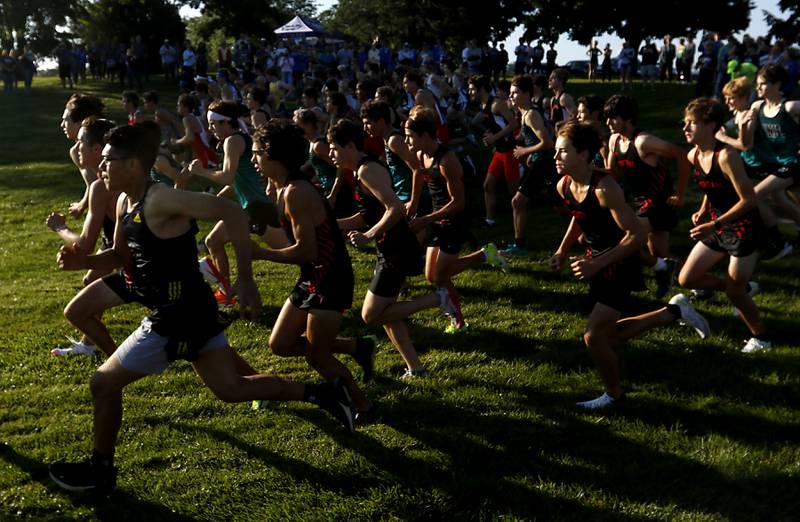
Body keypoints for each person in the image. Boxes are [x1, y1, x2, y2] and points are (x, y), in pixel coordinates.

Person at [48, 122, 357, 493]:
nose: (101, 168)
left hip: (176, 314)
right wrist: (82, 263)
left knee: (102, 383)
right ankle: (323, 392)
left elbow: (232, 211)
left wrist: (245, 278)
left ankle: (100, 470)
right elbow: (119, 255)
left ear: (132, 165)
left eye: (109, 161)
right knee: (231, 388)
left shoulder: (160, 198)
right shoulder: (122, 201)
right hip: (192, 309)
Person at [550, 121, 709, 410]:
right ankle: (674, 311)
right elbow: (579, 214)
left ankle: (614, 395)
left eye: (562, 152)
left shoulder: (605, 188)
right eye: (556, 152)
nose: (556, 157)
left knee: (594, 337)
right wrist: (562, 251)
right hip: (597, 261)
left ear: (584, 154)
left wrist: (596, 264)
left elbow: (636, 236)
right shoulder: (565, 185)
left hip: (619, 263)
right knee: (611, 335)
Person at [248, 119, 372, 419]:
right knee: (279, 344)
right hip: (312, 277)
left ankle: (364, 407)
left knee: (318, 357)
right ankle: (357, 347)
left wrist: (262, 254)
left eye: (256, 153)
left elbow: (307, 250)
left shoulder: (296, 192)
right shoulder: (282, 187)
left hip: (330, 278)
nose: (253, 159)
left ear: (273, 155)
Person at [332, 118, 457, 378]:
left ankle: (439, 298)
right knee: (386, 312)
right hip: (389, 247)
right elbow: (368, 213)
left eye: (334, 147)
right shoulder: (358, 171)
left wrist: (368, 235)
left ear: (350, 146)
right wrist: (331, 225)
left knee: (370, 315)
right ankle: (415, 367)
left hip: (396, 248)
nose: (331, 153)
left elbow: (395, 209)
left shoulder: (367, 170)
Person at [678, 97, 770, 353]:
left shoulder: (727, 156)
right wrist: (702, 209)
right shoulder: (693, 154)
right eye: (684, 123)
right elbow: (713, 186)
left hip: (743, 228)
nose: (685, 128)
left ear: (711, 126)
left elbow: (749, 200)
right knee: (687, 278)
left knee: (734, 294)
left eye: (692, 123)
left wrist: (714, 223)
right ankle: (743, 288)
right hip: (718, 224)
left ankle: (762, 338)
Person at [404, 106, 508, 332]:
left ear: (423, 135)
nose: (406, 140)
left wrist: (426, 219)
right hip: (437, 219)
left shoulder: (447, 160)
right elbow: (418, 173)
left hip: (455, 219)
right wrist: (413, 203)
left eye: (410, 136)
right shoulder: (422, 154)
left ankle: (459, 321)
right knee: (431, 276)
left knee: (441, 275)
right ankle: (485, 254)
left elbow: (458, 202)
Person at [187, 101, 286, 305]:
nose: (210, 128)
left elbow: (226, 176)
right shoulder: (235, 139)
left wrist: (200, 172)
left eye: (212, 124)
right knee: (212, 241)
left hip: (258, 206)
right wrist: (216, 200)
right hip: (249, 206)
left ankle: (323, 280)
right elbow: (235, 182)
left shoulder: (232, 141)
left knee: (290, 251)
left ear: (225, 123)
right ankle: (226, 291)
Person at [605, 94, 689, 298]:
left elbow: (682, 155)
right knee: (659, 256)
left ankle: (621, 288)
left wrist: (679, 193)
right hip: (638, 203)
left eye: (612, 118)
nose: (607, 122)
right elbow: (613, 173)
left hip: (659, 204)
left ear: (627, 118)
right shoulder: (614, 140)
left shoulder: (643, 142)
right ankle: (700, 285)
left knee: (622, 241)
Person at [47, 117, 118, 356]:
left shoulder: (102, 185)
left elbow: (84, 246)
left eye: (80, 143)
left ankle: (114, 359)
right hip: (134, 255)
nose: (76, 149)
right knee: (90, 284)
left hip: (142, 265)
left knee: (77, 310)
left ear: (97, 149)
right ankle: (93, 347)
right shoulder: (118, 175)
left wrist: (60, 228)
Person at [716, 76, 794, 260]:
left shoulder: (749, 114)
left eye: (731, 98)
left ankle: (778, 242)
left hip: (760, 164)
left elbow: (745, 145)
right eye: (726, 98)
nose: (727, 102)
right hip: (750, 162)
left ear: (744, 98)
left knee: (757, 199)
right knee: (771, 200)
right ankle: (770, 238)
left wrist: (722, 137)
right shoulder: (739, 113)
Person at [747, 65, 800, 254]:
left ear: (777, 84)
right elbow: (747, 141)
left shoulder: (790, 107)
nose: (758, 88)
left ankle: (777, 243)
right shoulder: (757, 106)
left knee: (754, 195)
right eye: (757, 84)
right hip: (772, 163)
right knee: (780, 200)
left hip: (792, 164)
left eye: (762, 84)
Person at [506, 75, 556, 257]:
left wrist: (525, 152)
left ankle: (519, 246)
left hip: (544, 163)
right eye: (511, 93)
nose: (511, 97)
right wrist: (529, 151)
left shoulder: (531, 115)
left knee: (518, 202)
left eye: (515, 93)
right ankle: (519, 244)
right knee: (561, 206)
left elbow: (548, 142)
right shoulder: (525, 114)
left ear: (527, 94)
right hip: (538, 161)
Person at [468, 75, 520, 228]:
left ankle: (519, 218)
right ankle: (490, 220)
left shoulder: (496, 104)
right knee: (488, 186)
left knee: (514, 192)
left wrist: (494, 137)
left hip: (510, 151)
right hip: (499, 152)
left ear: (481, 89)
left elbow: (513, 124)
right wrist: (491, 138)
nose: (469, 92)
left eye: (472, 89)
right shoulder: (484, 105)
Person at [60, 94, 106, 218]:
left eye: (66, 120)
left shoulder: (78, 151)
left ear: (80, 123)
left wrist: (81, 206)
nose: (62, 125)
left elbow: (95, 182)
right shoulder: (107, 135)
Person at [171, 93, 218, 169]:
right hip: (207, 154)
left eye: (179, 105)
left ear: (185, 107)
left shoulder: (186, 119)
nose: (177, 107)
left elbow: (190, 138)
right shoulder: (195, 118)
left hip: (204, 158)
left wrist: (176, 141)